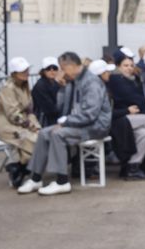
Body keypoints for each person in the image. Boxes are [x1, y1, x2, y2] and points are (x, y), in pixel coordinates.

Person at [17, 51, 111, 196]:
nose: (60, 72)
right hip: (79, 123)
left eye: (62, 68)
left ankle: (62, 181)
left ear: (71, 66)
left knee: (58, 134)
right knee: (43, 133)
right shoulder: (72, 80)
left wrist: (66, 122)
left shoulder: (91, 82)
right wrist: (61, 87)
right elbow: (61, 108)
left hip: (96, 126)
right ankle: (35, 178)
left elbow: (90, 114)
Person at [0, 57, 41, 188]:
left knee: (41, 137)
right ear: (14, 73)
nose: (26, 72)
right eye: (22, 71)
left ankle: (19, 167)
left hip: (24, 122)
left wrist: (36, 126)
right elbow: (13, 115)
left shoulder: (24, 85)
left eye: (26, 69)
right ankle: (21, 168)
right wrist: (31, 126)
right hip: (8, 126)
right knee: (32, 139)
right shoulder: (8, 88)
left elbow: (29, 110)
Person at [32, 56, 62, 127]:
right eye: (48, 68)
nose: (52, 71)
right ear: (43, 71)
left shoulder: (57, 83)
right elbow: (50, 108)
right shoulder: (40, 85)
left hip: (54, 118)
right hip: (45, 121)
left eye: (55, 68)